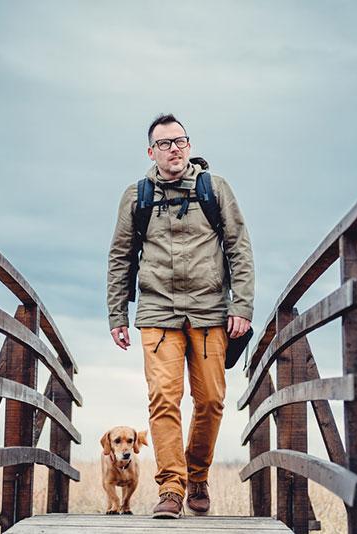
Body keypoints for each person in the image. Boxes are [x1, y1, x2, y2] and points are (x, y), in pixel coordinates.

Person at [106, 113, 254, 518]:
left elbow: (239, 247)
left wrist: (241, 305)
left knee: (211, 401)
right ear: (151, 151)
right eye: (165, 143)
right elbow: (120, 257)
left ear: (189, 146)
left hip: (209, 313)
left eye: (181, 141)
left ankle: (198, 475)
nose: (174, 149)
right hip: (157, 311)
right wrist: (117, 313)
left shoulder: (215, 188)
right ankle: (171, 488)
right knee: (163, 400)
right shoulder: (136, 196)